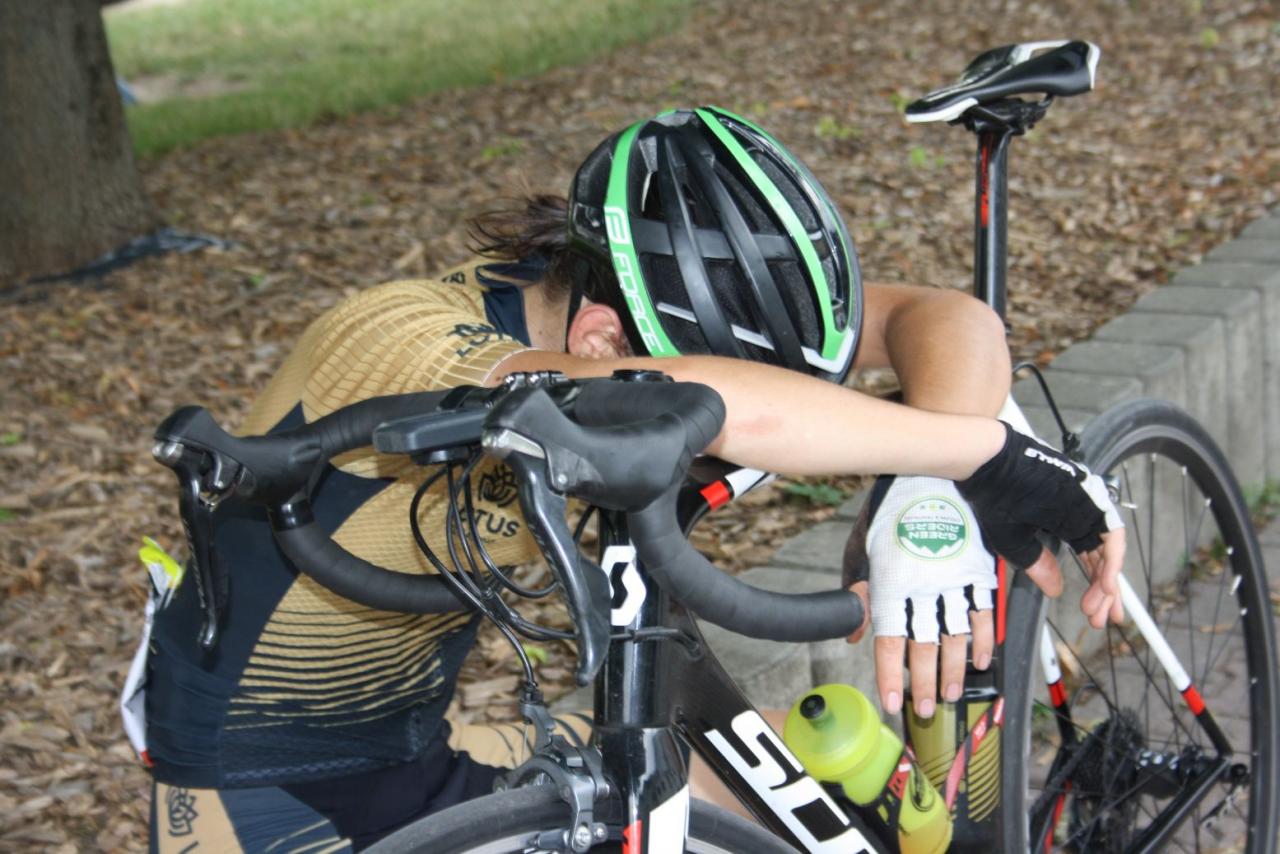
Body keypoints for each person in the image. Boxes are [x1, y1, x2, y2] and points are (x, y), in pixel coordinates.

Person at [137, 106, 1124, 852]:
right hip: (263, 797)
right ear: (603, 342)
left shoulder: (623, 307)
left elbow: (943, 317)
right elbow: (713, 403)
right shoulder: (402, 341)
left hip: (418, 748)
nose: (716, 471)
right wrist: (975, 453)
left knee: (794, 803)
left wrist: (929, 493)